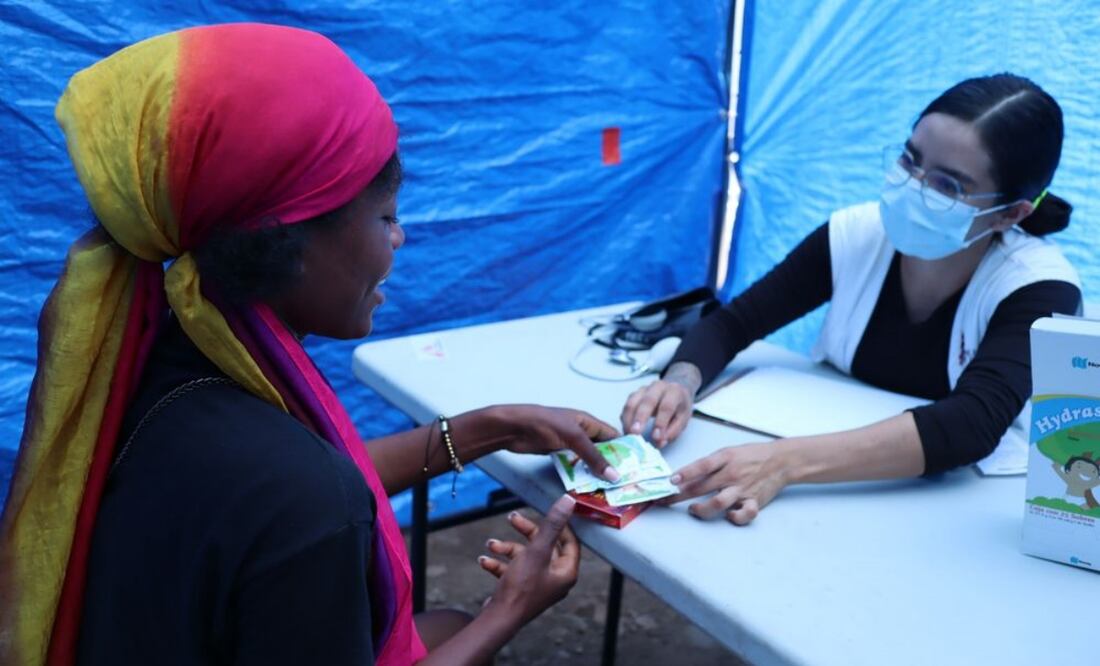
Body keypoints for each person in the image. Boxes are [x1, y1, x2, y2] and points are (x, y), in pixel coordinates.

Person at [0, 24, 624, 666]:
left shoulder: (151, 358)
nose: (399, 240)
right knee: (463, 625)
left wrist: (488, 427)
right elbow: (308, 499)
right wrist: (512, 609)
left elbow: (291, 494)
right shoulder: (308, 499)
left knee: (444, 622)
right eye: (386, 216)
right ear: (288, 244)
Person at [620, 73, 1082, 526]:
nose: (912, 187)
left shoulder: (1039, 288)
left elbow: (971, 426)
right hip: (826, 502)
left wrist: (784, 463)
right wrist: (680, 382)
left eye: (948, 186)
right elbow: (734, 323)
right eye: (909, 159)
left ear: (1011, 213)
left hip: (947, 519)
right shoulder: (855, 235)